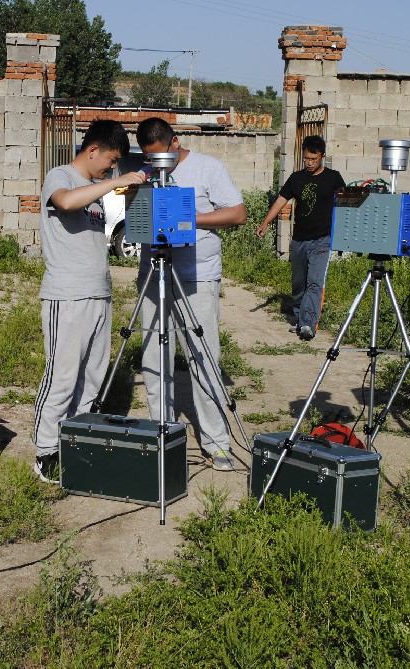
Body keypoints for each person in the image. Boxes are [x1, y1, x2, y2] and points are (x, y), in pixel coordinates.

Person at [32, 120, 147, 483]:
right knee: (62, 376)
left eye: (115, 165)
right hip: (67, 294)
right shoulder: (60, 175)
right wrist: (114, 183)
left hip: (99, 292)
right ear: (93, 149)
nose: (112, 168)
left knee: (92, 375)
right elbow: (65, 202)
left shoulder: (96, 188)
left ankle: (75, 437)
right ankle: (45, 450)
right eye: (111, 160)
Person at [136, 117, 247, 471]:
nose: (157, 165)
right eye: (150, 159)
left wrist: (188, 218)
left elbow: (239, 214)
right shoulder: (144, 173)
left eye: (161, 157)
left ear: (175, 142)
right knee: (155, 358)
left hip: (197, 277)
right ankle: (162, 434)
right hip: (154, 275)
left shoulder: (208, 168)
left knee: (203, 357)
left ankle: (216, 443)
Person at [257, 135, 346, 341]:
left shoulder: (333, 177)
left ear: (322, 157)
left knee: (314, 283)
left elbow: (345, 201)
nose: (309, 163)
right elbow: (281, 200)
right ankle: (299, 318)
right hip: (298, 240)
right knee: (298, 284)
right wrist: (265, 222)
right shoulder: (296, 178)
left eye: (313, 159)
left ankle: (308, 324)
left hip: (322, 239)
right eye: (306, 158)